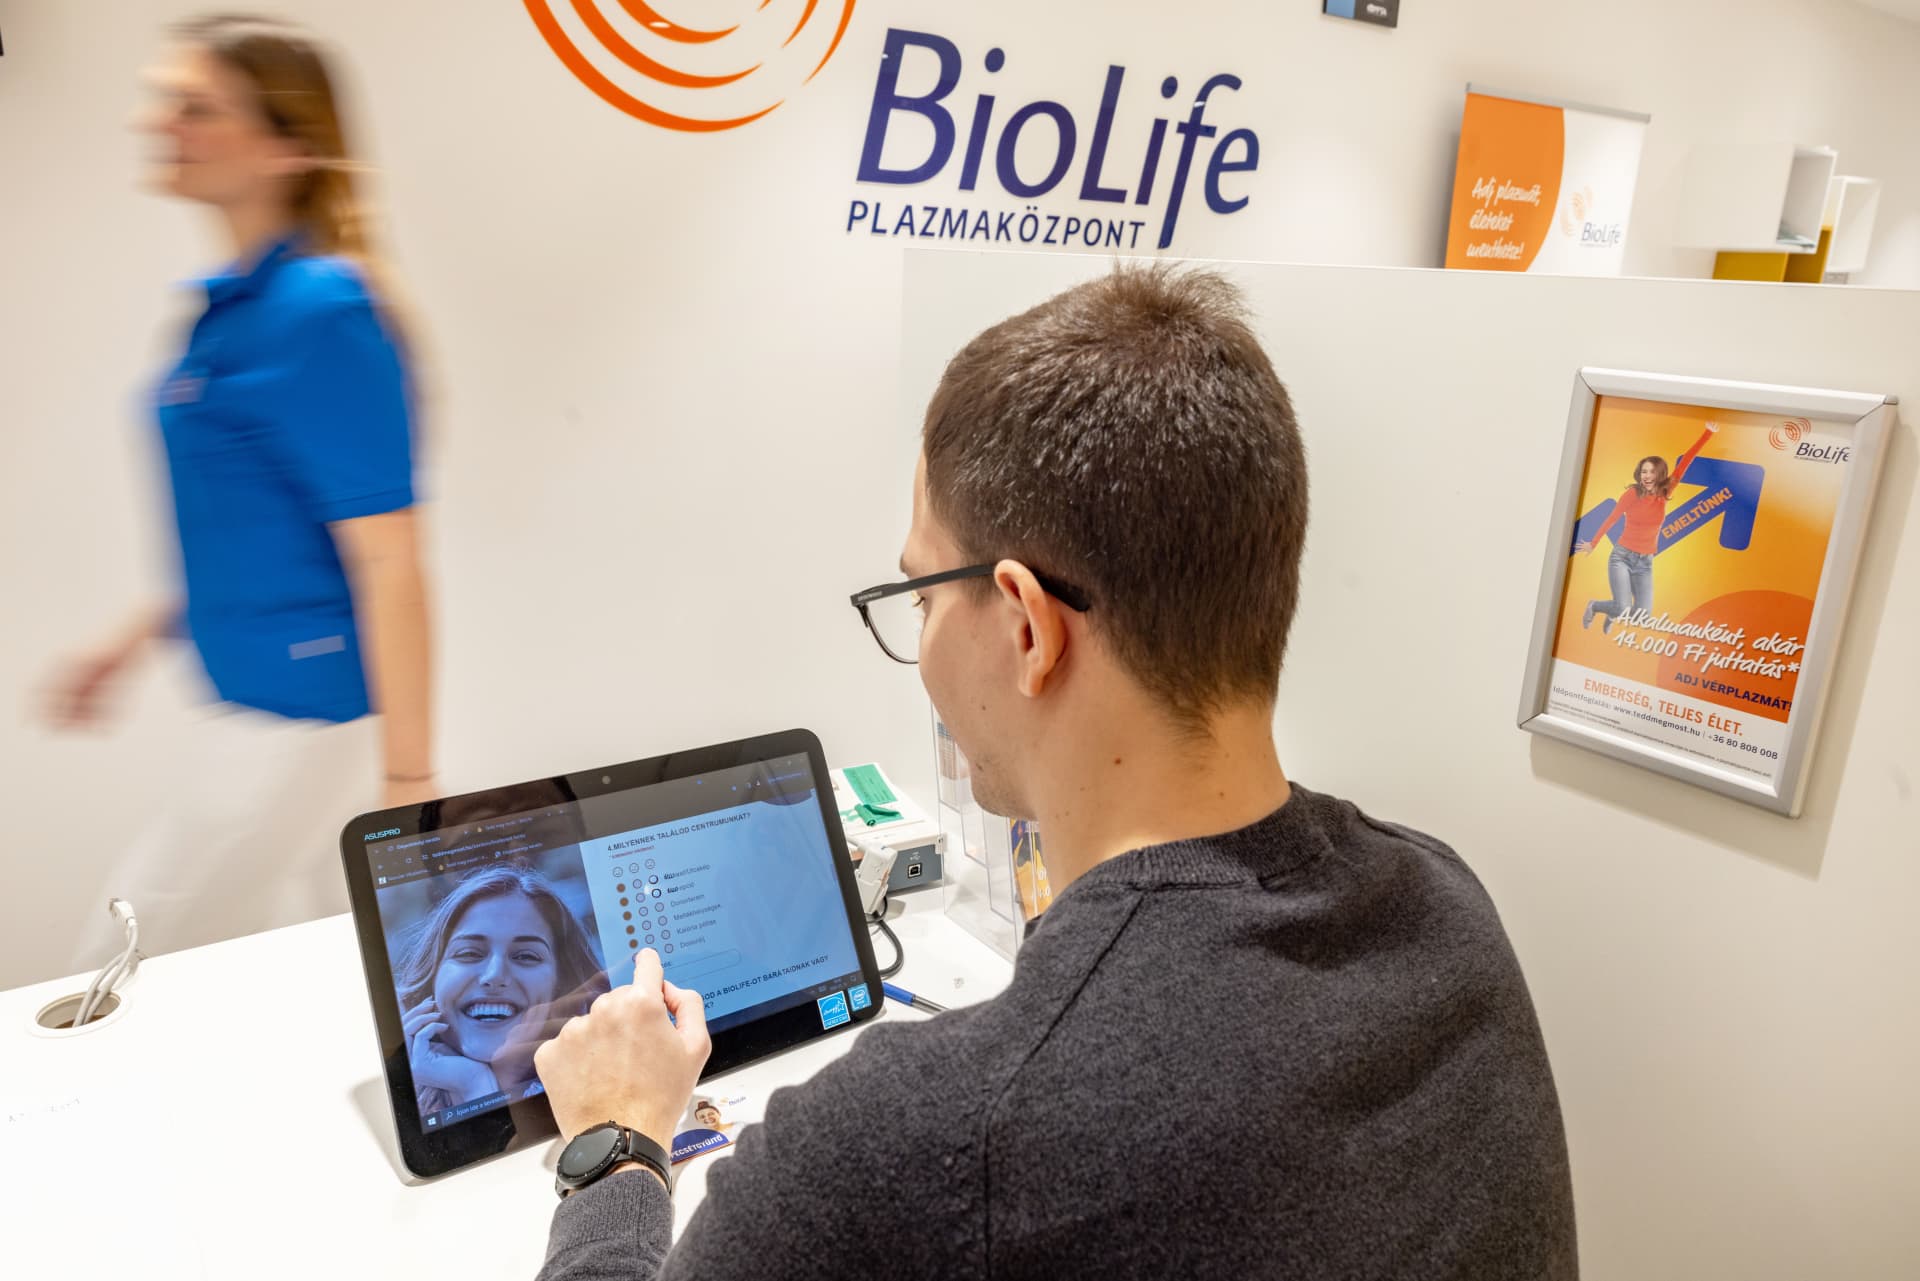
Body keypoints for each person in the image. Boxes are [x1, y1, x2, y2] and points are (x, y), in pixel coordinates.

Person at [530, 267, 1577, 1279]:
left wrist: (615, 1146)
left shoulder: (915, 1144)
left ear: (1028, 627)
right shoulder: (1450, 911)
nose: (923, 636)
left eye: (924, 596)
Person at [45, 14, 434, 965]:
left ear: (283, 145)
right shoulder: (225, 311)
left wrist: (413, 792)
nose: (160, 121)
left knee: (114, 956)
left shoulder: (322, 311)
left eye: (194, 107)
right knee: (298, 961)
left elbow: (391, 565)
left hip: (300, 716)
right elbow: (248, 528)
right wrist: (130, 642)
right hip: (254, 700)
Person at [392, 865, 608, 1120]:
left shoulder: (602, 1092)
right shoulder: (402, 1109)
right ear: (432, 980)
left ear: (561, 986)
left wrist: (477, 1089)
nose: (494, 975)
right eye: (469, 953)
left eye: (526, 956)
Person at [1577, 422, 1719, 633]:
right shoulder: (1632, 494)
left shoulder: (1665, 490)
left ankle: (1613, 612)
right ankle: (1595, 606)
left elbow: (1685, 462)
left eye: (1652, 472)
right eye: (1644, 471)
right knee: (1624, 607)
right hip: (1622, 557)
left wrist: (1707, 434)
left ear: (1660, 475)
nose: (1647, 476)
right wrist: (1593, 543)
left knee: (1642, 617)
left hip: (1645, 562)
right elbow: (1612, 518)